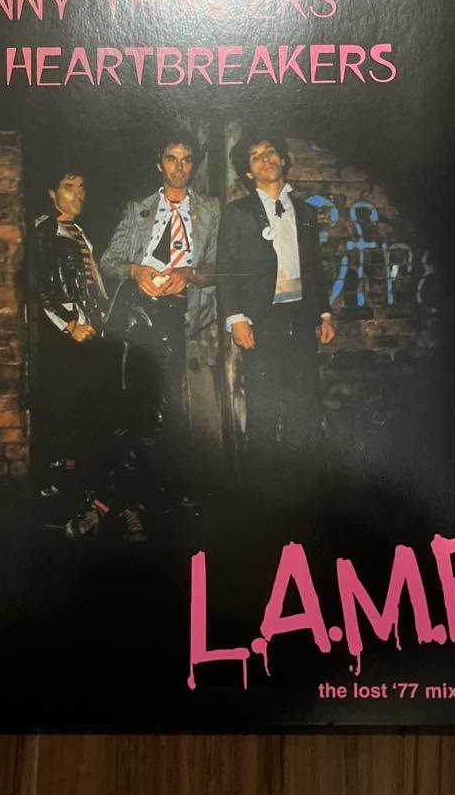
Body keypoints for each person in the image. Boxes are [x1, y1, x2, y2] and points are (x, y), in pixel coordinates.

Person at [100, 140, 220, 506]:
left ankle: (173, 485)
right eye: (171, 159)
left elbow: (218, 268)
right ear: (159, 164)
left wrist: (189, 274)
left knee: (180, 402)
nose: (179, 167)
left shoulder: (211, 209)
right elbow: (109, 261)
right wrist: (136, 271)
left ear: (193, 165)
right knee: (147, 400)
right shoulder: (137, 209)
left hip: (187, 312)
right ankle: (141, 492)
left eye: (186, 160)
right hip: (143, 311)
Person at [32, 168, 145, 542]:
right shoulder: (45, 233)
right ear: (52, 193)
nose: (77, 194)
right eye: (68, 187)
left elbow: (92, 284)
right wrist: (69, 325)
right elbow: (39, 289)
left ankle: (102, 502)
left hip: (92, 334)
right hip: (69, 338)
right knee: (80, 420)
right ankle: (83, 503)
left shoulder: (78, 231)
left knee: (102, 419)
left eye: (82, 187)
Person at [218, 138, 335, 488]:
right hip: (261, 320)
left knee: (305, 403)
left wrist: (324, 314)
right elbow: (226, 266)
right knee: (264, 407)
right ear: (247, 172)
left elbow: (314, 267)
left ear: (283, 159)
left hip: (300, 318)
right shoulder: (238, 213)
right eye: (255, 156)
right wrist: (236, 318)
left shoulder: (305, 212)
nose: (265, 159)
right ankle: (261, 490)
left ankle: (306, 486)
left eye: (270, 152)